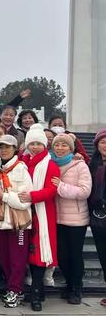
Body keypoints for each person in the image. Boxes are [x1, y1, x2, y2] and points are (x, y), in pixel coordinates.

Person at [18, 123, 60, 312]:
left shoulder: (50, 164)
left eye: (38, 144)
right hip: (23, 212)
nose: (35, 147)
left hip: (43, 213)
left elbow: (52, 190)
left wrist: (32, 196)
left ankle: (35, 293)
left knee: (39, 254)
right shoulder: (22, 162)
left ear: (44, 145)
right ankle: (35, 289)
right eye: (32, 143)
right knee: (25, 252)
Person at [50, 133, 91, 304]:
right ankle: (69, 283)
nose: (60, 148)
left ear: (71, 148)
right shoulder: (50, 163)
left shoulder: (80, 165)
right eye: (57, 145)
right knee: (62, 255)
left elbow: (84, 192)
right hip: (56, 218)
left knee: (74, 254)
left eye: (64, 145)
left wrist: (61, 186)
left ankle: (76, 287)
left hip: (76, 219)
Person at [0, 135, 33, 308]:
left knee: (17, 259)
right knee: (3, 258)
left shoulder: (21, 169)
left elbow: (26, 201)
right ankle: (13, 287)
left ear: (15, 149)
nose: (4, 150)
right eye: (1, 147)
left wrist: (5, 196)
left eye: (8, 147)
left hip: (19, 222)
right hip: (0, 221)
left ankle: (16, 290)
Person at [88, 129, 106, 307]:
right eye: (102, 142)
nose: (105, 145)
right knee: (103, 255)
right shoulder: (92, 164)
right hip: (99, 217)